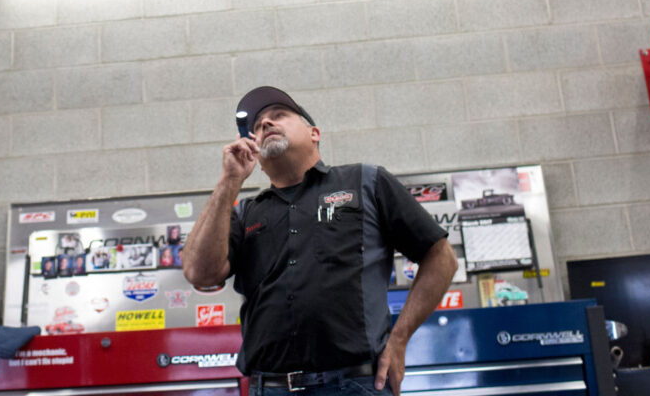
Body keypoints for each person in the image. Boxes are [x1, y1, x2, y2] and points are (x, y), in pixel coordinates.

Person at [182, 86, 459, 396]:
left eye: (279, 115)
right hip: (271, 387)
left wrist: (399, 339)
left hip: (355, 385)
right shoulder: (245, 212)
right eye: (257, 126)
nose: (265, 124)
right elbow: (199, 273)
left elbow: (441, 257)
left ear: (314, 133)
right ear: (256, 155)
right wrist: (229, 181)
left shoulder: (366, 182)